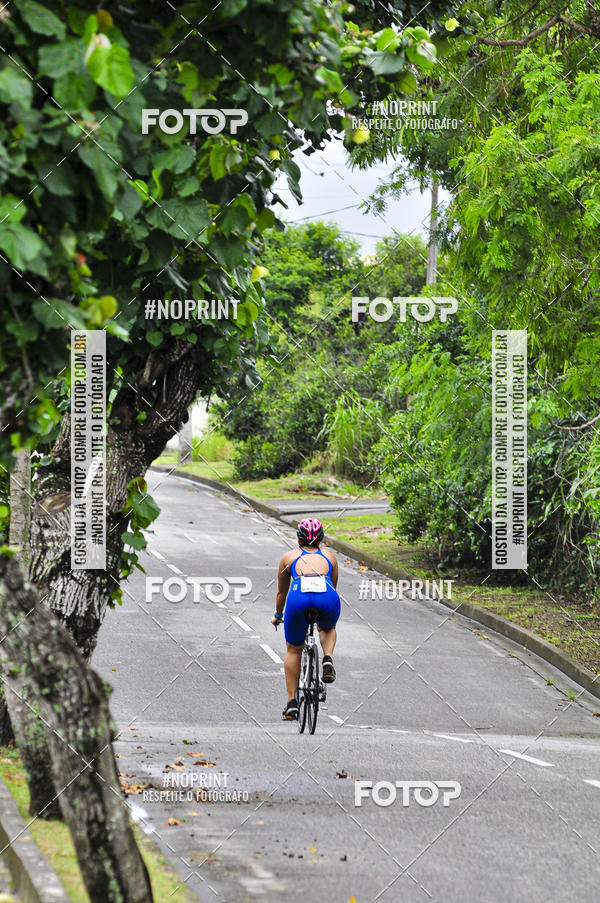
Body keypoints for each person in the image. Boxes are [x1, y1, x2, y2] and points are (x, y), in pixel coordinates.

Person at [271, 517, 341, 721]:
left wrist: (278, 615)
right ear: (320, 538)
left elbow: (281, 593)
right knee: (328, 628)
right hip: (326, 597)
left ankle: (292, 703)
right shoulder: (330, 557)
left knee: (294, 648)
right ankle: (327, 658)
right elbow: (333, 587)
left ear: (298, 538)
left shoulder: (288, 558)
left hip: (297, 597)